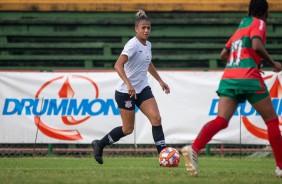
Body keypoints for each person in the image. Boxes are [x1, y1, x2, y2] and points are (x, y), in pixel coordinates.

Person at [181, 0, 282, 177]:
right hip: (248, 77)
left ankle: (194, 148)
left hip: (229, 77)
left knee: (221, 120)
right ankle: (280, 166)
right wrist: (273, 63)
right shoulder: (259, 23)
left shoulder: (242, 25)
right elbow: (257, 45)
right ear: (265, 12)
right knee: (272, 120)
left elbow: (224, 54)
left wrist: (245, 59)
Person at [91, 10, 170, 164]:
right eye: (143, 28)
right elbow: (118, 65)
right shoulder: (132, 44)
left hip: (142, 89)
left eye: (148, 28)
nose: (146, 30)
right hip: (125, 92)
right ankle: (99, 144)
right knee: (128, 129)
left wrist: (160, 80)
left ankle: (163, 157)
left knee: (156, 118)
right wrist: (128, 84)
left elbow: (148, 63)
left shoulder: (148, 44)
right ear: (136, 29)